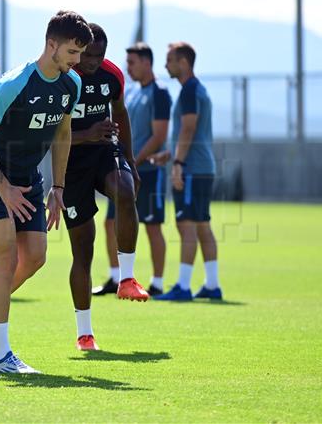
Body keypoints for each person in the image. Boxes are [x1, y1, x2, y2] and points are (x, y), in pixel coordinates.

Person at [0, 10, 91, 374]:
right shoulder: (14, 83)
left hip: (29, 179)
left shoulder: (71, 84)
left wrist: (58, 188)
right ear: (52, 45)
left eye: (80, 54)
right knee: (5, 261)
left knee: (35, 257)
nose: (77, 61)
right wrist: (3, 188)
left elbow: (62, 134)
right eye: (72, 53)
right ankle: (0, 356)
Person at [62, 24, 149, 352]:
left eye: (100, 55)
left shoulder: (111, 76)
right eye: (89, 56)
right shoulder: (63, 78)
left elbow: (121, 113)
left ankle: (126, 279)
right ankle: (85, 333)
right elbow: (53, 133)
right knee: (83, 251)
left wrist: (130, 160)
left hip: (104, 154)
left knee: (126, 192)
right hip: (69, 165)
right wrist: (87, 134)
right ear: (78, 49)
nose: (94, 62)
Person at [96, 43, 171, 297]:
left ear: (147, 63)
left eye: (133, 62)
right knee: (109, 223)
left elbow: (159, 136)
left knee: (152, 225)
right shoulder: (134, 92)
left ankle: (158, 283)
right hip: (125, 169)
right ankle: (116, 278)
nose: (128, 67)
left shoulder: (159, 92)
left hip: (146, 171)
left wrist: (134, 161)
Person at [155, 42, 223, 301]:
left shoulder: (189, 90)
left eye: (169, 59)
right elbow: (193, 134)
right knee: (203, 225)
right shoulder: (198, 89)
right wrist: (170, 154)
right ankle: (213, 285)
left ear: (183, 62)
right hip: (202, 166)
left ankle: (183, 286)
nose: (166, 65)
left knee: (187, 226)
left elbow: (189, 128)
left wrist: (179, 164)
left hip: (192, 168)